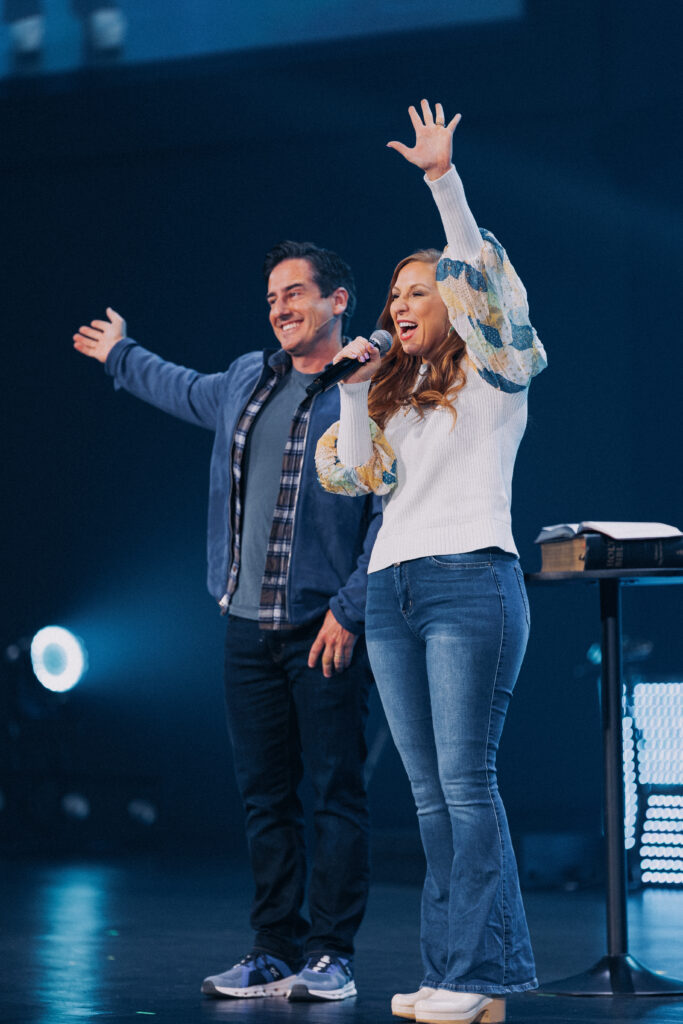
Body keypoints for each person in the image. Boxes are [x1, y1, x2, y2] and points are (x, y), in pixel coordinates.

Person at [72, 240, 381, 1003]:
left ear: (337, 300)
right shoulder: (250, 377)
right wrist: (121, 353)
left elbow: (387, 512)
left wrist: (351, 608)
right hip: (246, 625)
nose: (279, 307)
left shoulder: (368, 388)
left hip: (324, 628)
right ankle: (272, 949)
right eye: (271, 297)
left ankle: (330, 956)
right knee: (263, 796)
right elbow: (179, 388)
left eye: (294, 293)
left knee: (334, 791)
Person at [316, 100, 547, 1024]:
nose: (399, 305)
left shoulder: (496, 371)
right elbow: (351, 474)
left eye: (417, 292)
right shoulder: (400, 399)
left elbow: (482, 275)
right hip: (393, 591)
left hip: (468, 583)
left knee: (463, 784)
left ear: (453, 303)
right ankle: (470, 976)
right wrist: (359, 391)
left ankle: (470, 974)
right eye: (394, 296)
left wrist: (441, 182)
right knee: (425, 797)